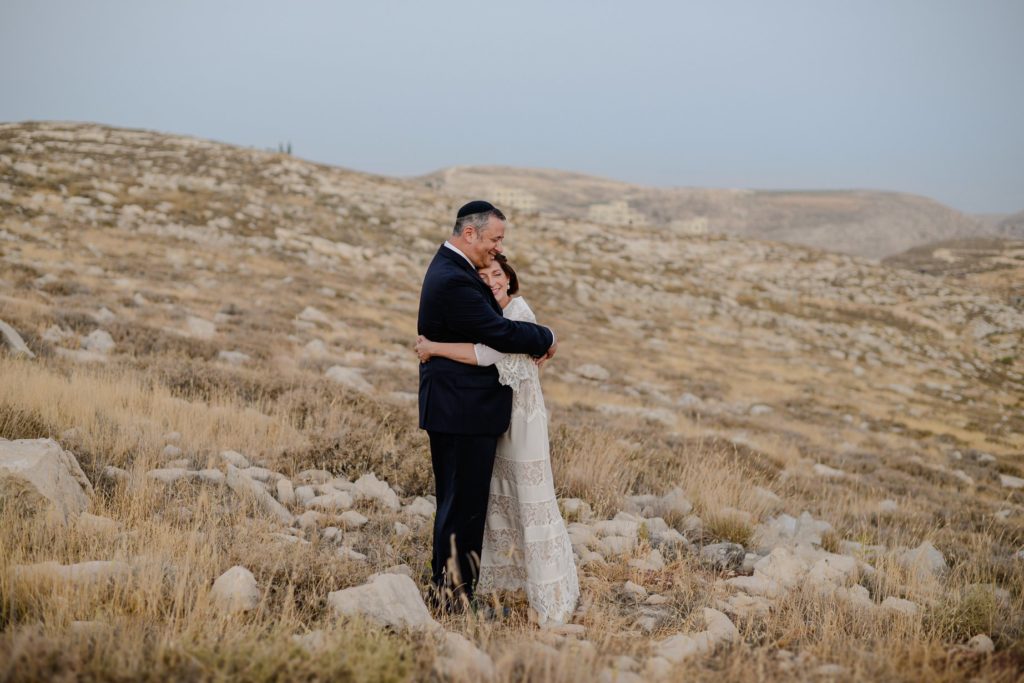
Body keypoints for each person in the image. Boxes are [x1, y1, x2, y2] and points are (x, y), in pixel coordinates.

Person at [416, 254, 579, 624]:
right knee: (498, 502)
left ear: (509, 278)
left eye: (497, 274)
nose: (491, 280)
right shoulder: (490, 313)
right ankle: (487, 585)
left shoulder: (517, 311)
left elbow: (488, 353)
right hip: (498, 419)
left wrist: (434, 347)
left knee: (530, 498)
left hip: (522, 420)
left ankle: (548, 593)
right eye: (484, 275)